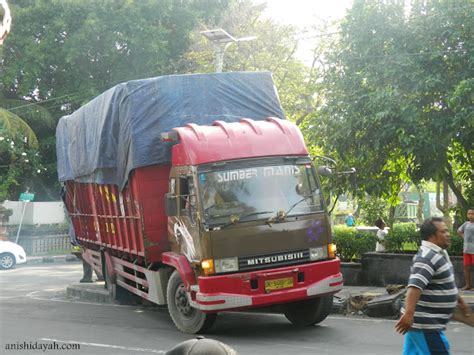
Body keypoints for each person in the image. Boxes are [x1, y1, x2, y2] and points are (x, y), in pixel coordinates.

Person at [395, 217, 471, 354]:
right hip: (425, 325)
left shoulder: (439, 254)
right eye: (443, 231)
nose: (448, 234)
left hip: (425, 325)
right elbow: (415, 286)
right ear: (431, 236)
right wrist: (409, 314)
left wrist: (460, 301)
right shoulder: (427, 257)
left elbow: (446, 283)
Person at [457, 208, 474, 290]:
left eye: (472, 214)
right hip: (466, 250)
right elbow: (459, 231)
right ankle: (468, 285)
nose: (470, 215)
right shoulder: (466, 224)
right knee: (466, 267)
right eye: (469, 214)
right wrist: (464, 238)